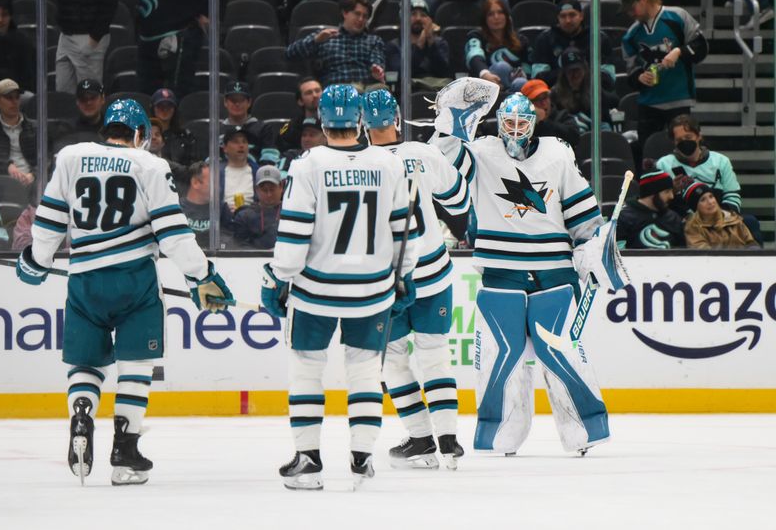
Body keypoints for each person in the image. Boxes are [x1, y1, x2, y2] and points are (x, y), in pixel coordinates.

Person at [14, 98, 234, 486]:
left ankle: (82, 411)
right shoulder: (150, 164)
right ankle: (125, 451)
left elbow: (50, 218)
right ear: (138, 135)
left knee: (86, 364)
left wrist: (37, 260)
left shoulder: (71, 156)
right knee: (136, 364)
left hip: (84, 282)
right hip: (135, 281)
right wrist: (202, 275)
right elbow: (172, 233)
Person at [430, 81, 618, 456]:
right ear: (498, 122)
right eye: (509, 122)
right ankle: (498, 432)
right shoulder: (481, 151)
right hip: (501, 271)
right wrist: (449, 122)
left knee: (561, 352)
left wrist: (592, 250)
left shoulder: (557, 154)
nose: (515, 130)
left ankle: (586, 426)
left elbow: (583, 215)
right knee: (503, 355)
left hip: (554, 272)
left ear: (534, 123)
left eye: (522, 123)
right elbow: (441, 167)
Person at [260, 84, 418, 490]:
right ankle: (362, 455)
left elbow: (293, 237)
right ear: (360, 119)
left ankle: (308, 459)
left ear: (323, 121)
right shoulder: (388, 163)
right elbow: (406, 234)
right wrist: (404, 279)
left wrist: (279, 278)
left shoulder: (308, 164)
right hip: (373, 291)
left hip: (316, 291)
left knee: (307, 371)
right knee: (365, 370)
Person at [361, 88, 469, 470]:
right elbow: (459, 202)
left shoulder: (362, 165)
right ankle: (449, 440)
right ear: (397, 118)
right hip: (434, 272)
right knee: (435, 355)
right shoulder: (424, 153)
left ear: (363, 123)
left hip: (389, 280)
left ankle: (421, 440)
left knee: (392, 360)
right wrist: (458, 159)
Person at [621, 0, 708, 153]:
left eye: (631, 7)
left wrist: (679, 51)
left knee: (685, 152)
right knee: (647, 156)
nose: (629, 13)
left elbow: (701, 47)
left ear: (643, 0)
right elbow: (630, 69)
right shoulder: (631, 34)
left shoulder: (677, 17)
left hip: (679, 98)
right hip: (649, 103)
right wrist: (639, 77)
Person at [286, 0, 386, 87]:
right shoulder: (326, 36)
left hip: (363, 96)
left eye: (365, 16)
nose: (361, 19)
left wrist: (376, 69)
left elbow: (377, 61)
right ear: (345, 13)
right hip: (334, 95)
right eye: (357, 14)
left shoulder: (374, 41)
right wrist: (316, 40)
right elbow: (290, 53)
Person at [532, 0, 616, 89]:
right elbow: (538, 78)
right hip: (555, 94)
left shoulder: (599, 38)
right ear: (558, 18)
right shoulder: (544, 39)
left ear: (581, 16)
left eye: (572, 15)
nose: (568, 20)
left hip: (591, 93)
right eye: (563, 16)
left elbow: (608, 78)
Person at [136, 0, 207, 97]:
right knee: (146, 94)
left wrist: (207, 12)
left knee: (176, 95)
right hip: (146, 33)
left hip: (180, 29)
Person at [0, 79, 37, 186]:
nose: (14, 102)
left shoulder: (36, 128)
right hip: (1, 185)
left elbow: (48, 158)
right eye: (9, 98)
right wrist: (6, 166)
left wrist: (33, 175)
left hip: (34, 184)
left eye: (17, 97)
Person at [465, 0, 531, 92]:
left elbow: (528, 69)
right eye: (491, 14)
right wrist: (485, 74)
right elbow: (474, 57)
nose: (496, 17)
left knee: (521, 82)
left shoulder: (520, 39)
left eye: (500, 12)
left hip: (515, 87)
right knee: (501, 67)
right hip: (485, 87)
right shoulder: (476, 36)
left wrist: (523, 74)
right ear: (484, 19)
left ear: (507, 16)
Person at [54, 0, 117, 94]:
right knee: (63, 92)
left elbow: (109, 4)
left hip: (88, 36)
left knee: (89, 94)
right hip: (65, 35)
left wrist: (94, 39)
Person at [385, 0, 451, 90]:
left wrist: (431, 42)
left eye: (423, 15)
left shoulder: (439, 43)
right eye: (413, 14)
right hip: (408, 94)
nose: (418, 18)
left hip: (436, 91)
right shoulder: (393, 46)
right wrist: (419, 46)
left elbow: (444, 72)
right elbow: (400, 74)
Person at [550, 48, 618, 135]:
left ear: (584, 69)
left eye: (577, 70)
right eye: (570, 71)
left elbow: (613, 103)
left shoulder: (595, 89)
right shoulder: (555, 94)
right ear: (564, 73)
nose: (575, 75)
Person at [616, 169, 685, 249]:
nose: (671, 196)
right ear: (652, 193)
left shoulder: (673, 218)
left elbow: (682, 252)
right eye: (667, 192)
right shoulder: (625, 217)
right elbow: (618, 252)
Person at [683, 182, 758, 249]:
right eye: (703, 200)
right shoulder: (693, 228)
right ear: (696, 208)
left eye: (711, 196)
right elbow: (704, 255)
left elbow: (750, 242)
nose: (710, 202)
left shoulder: (733, 218)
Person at [179, 160, 234, 249]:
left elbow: (228, 241)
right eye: (213, 182)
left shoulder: (221, 208)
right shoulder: (177, 209)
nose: (218, 187)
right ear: (195, 183)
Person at [221, 81, 279, 166]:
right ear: (225, 102)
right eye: (233, 100)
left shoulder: (263, 128)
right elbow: (209, 160)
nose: (237, 104)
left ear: (249, 102)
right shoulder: (217, 129)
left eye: (241, 100)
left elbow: (270, 158)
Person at [232, 165, 283, 250]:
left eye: (272, 189)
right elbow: (239, 248)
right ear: (256, 189)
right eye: (264, 190)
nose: (269, 194)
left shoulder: (291, 212)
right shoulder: (244, 217)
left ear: (281, 186)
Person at [520, 79, 580, 148]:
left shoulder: (563, 116)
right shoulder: (522, 124)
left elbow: (575, 138)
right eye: (536, 99)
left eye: (545, 97)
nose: (543, 103)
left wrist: (544, 123)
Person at [151, 88, 199, 168]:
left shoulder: (186, 137)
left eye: (169, 106)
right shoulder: (143, 135)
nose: (165, 110)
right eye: (160, 106)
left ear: (175, 109)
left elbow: (193, 167)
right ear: (153, 108)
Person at [220, 125, 259, 214]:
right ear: (225, 148)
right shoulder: (215, 173)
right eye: (235, 142)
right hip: (223, 221)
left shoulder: (258, 172)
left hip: (251, 219)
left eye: (244, 142)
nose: (241, 145)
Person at [278, 77, 324, 152]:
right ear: (300, 101)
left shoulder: (337, 121)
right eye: (309, 93)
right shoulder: (290, 127)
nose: (315, 95)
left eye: (317, 91)